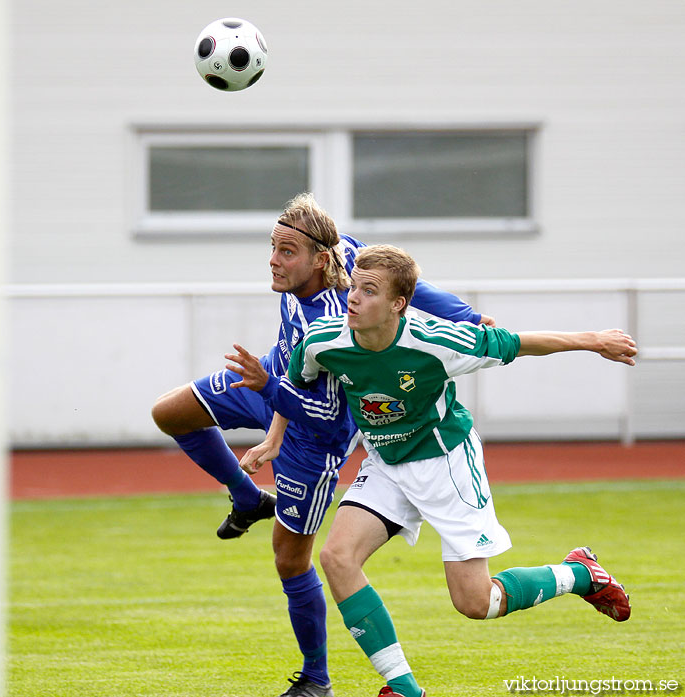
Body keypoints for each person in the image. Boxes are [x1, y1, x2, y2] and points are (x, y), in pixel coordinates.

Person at [231, 244, 636, 697]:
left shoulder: (437, 341)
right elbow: (295, 384)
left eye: (369, 291)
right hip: (386, 465)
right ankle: (402, 687)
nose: (354, 299)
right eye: (353, 287)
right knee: (337, 558)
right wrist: (274, 437)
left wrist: (595, 340)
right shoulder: (325, 339)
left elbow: (521, 343)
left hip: (446, 465)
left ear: (398, 304)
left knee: (476, 603)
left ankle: (579, 573)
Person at [151, 195, 494, 697]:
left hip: (313, 434)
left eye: (286, 251)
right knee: (169, 412)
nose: (273, 259)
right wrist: (469, 313)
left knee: (290, 561)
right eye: (273, 246)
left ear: (318, 259)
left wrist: (268, 390)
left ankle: (316, 679)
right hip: (272, 381)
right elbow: (416, 286)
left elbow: (326, 416)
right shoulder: (344, 251)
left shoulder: (336, 325)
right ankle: (247, 497)